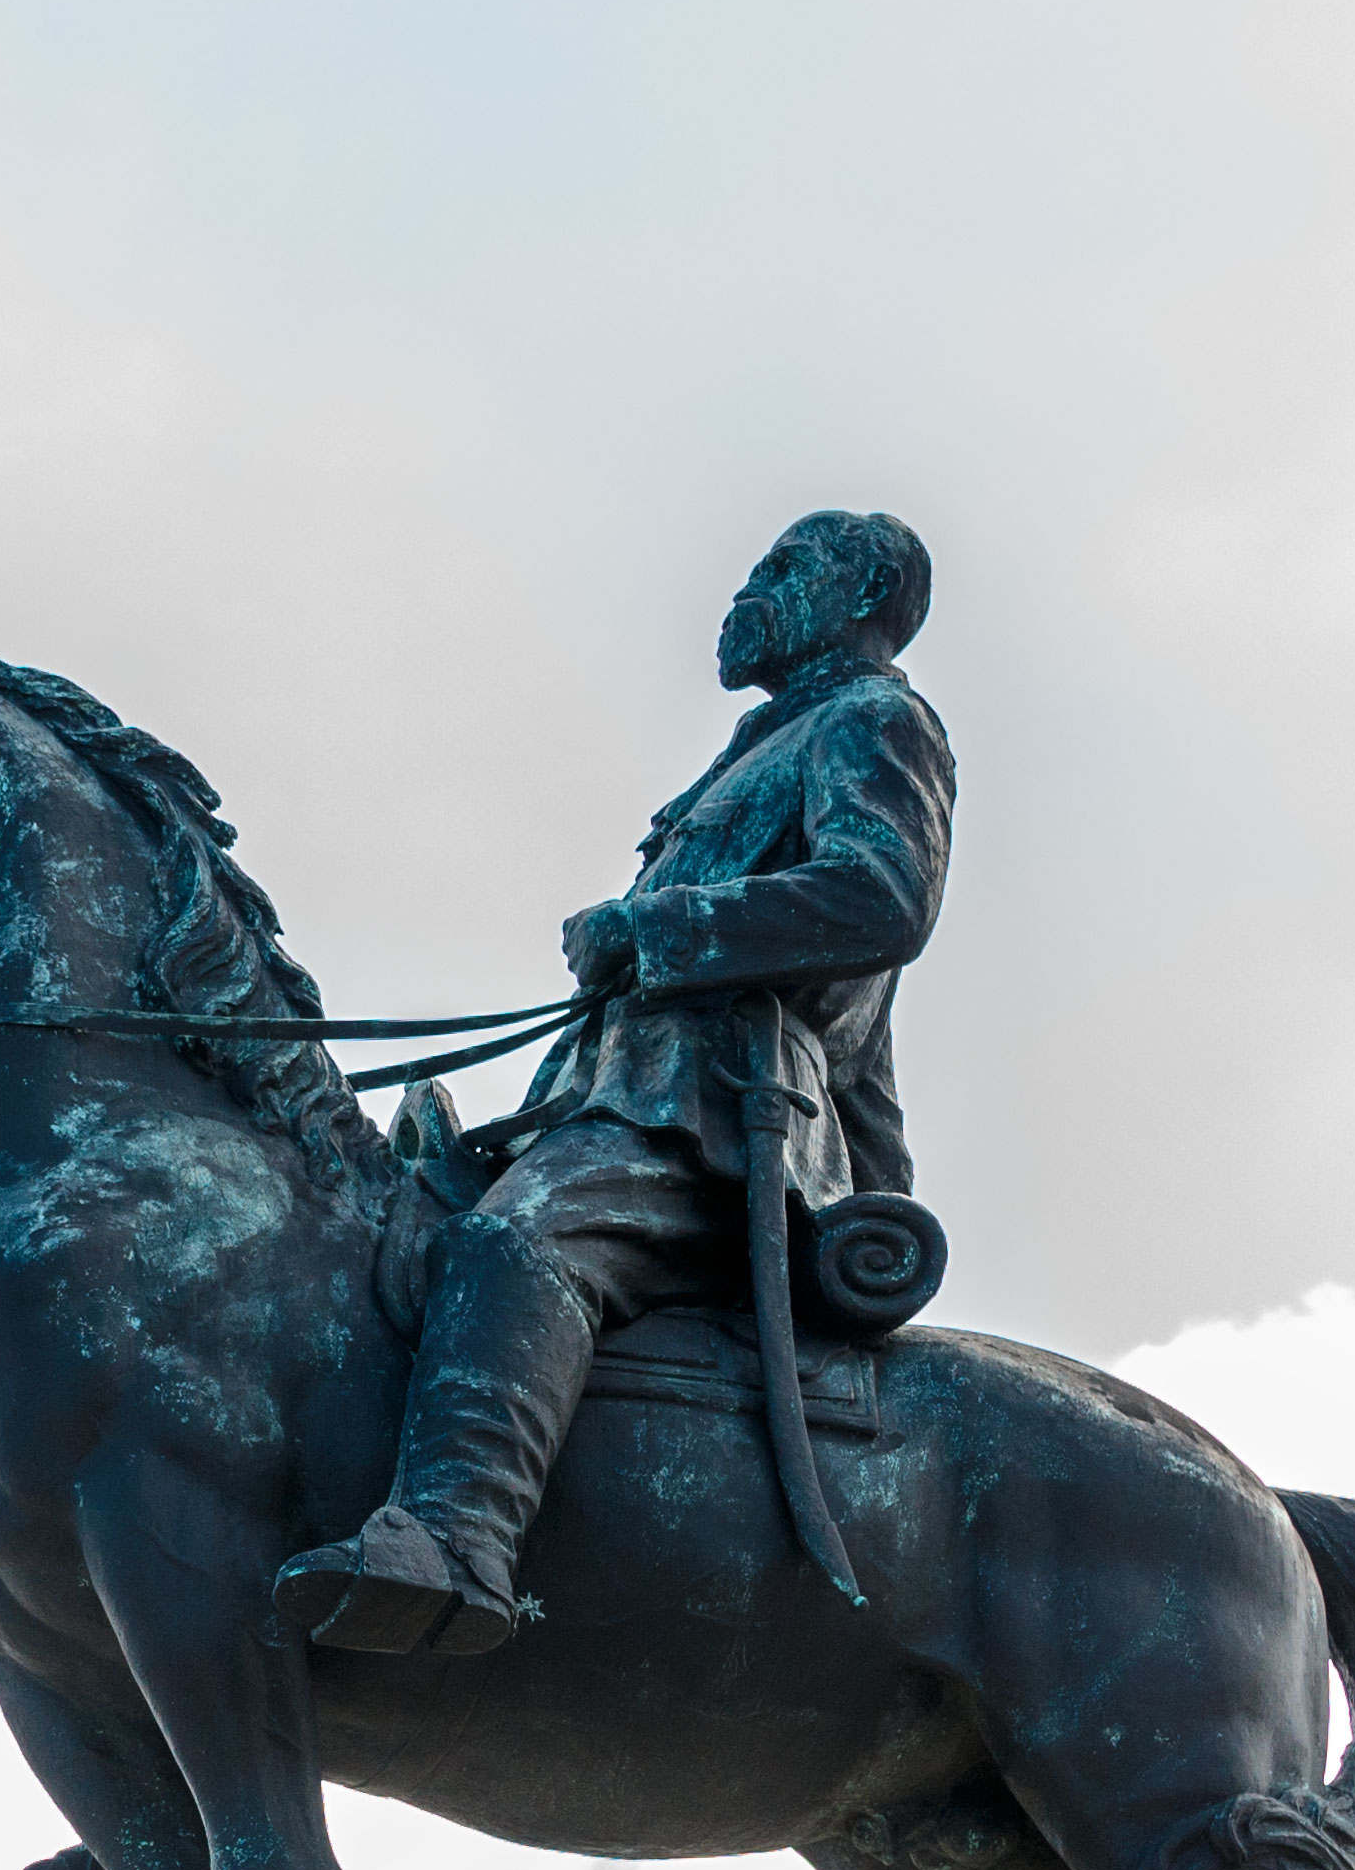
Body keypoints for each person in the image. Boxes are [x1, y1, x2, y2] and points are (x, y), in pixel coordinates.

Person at [272, 508, 955, 1657]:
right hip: (623, 1099)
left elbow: (883, 901)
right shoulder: (762, 748)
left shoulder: (874, 721)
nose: (748, 587)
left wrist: (661, 928)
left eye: (784, 568)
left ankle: (456, 1541)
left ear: (860, 598)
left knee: (511, 1246)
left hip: (713, 1121)